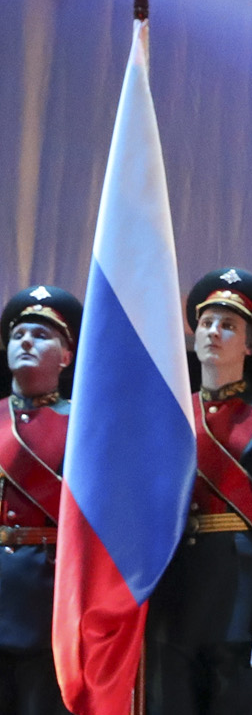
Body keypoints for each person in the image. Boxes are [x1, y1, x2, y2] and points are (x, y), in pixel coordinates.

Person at [145, 268, 252, 713]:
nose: (214, 333)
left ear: (250, 345)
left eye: (229, 326)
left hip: (240, 595)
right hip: (172, 593)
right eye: (206, 323)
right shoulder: (169, 412)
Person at [0, 286, 79, 715]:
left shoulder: (84, 424)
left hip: (48, 598)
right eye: (18, 334)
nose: (26, 341)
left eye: (41, 335)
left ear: (66, 356)